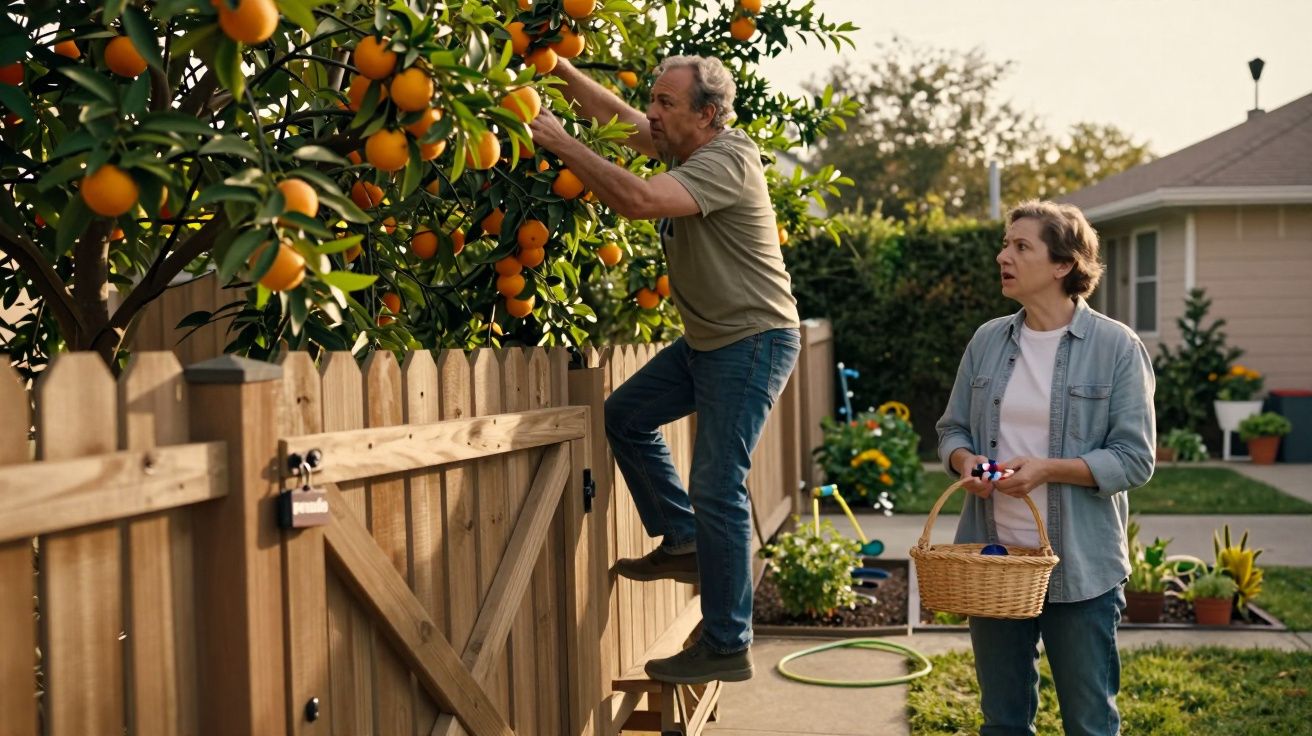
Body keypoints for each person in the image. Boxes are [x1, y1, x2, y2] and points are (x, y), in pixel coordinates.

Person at [529, 55, 800, 685]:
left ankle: (727, 642)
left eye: (666, 104)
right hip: (709, 344)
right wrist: (558, 65)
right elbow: (617, 117)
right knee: (626, 415)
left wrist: (561, 141)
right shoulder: (681, 148)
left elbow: (638, 201)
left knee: (717, 478)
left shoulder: (729, 158)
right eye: (653, 99)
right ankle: (681, 538)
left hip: (752, 341)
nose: (651, 112)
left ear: (706, 115)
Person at [935, 200, 1155, 736]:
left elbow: (1135, 458)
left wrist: (1048, 469)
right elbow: (952, 431)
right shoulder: (988, 340)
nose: (1002, 255)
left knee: (1089, 722)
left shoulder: (1116, 347)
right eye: (1006, 244)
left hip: (1080, 569)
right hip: (993, 562)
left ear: (1063, 265)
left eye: (1020, 246)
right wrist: (968, 463)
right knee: (1003, 722)